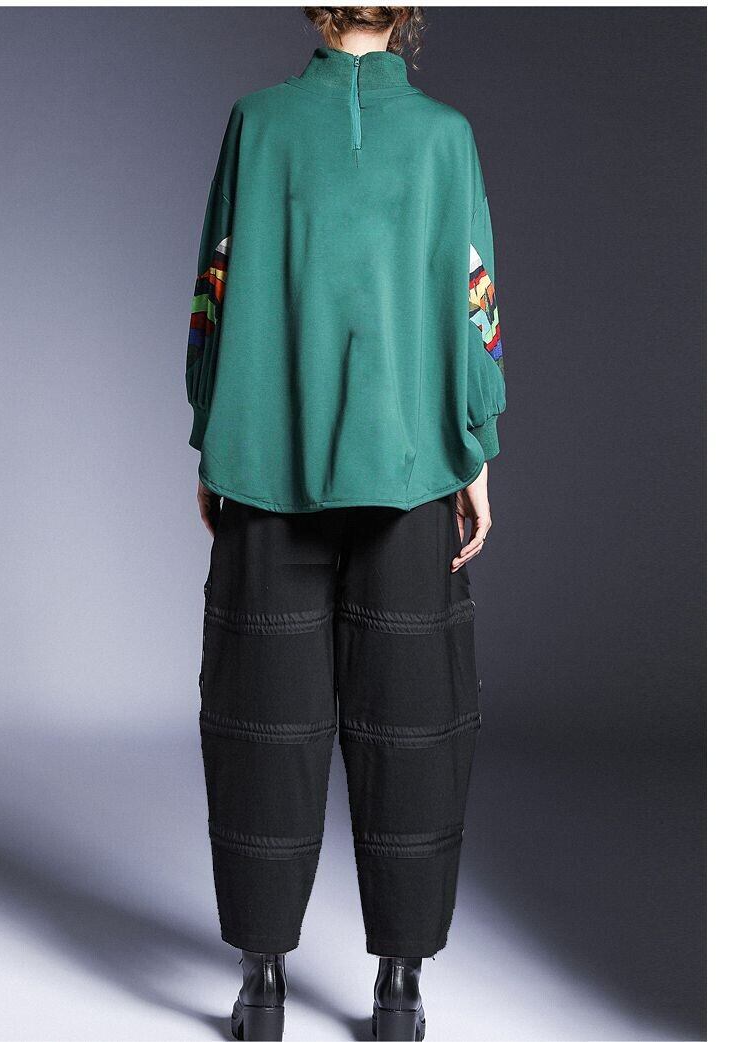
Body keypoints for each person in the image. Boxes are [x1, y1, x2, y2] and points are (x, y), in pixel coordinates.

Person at [184, 7, 506, 1039]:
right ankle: (399, 988)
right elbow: (473, 299)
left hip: (266, 462)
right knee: (412, 727)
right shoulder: (446, 136)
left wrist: (212, 429)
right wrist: (475, 446)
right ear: (405, 12)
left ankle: (262, 983)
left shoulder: (259, 122)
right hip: (410, 469)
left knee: (263, 724)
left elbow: (215, 283)